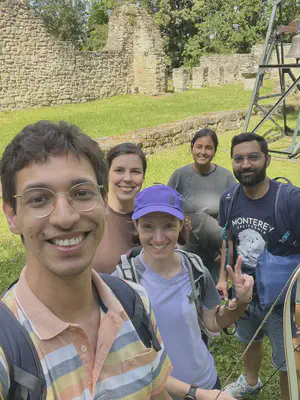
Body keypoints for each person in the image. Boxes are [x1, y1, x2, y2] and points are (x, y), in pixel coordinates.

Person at [0, 121, 172, 399]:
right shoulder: (6, 350)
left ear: (104, 201)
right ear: (11, 214)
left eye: (81, 193)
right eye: (39, 199)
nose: (65, 218)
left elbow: (155, 392)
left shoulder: (135, 302)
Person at [115, 184, 254, 400]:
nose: (159, 238)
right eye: (148, 227)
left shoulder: (194, 267)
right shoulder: (123, 281)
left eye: (169, 226)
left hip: (206, 381)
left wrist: (242, 301)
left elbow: (213, 322)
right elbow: (128, 360)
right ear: (136, 225)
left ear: (182, 224)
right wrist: (197, 394)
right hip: (160, 393)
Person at [217, 132, 300, 400]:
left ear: (267, 159)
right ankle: (250, 381)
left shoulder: (290, 200)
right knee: (248, 340)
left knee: (287, 359)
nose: (246, 164)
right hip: (244, 293)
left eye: (253, 157)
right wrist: (222, 278)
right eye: (238, 158)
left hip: (281, 298)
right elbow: (228, 239)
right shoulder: (229, 199)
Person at [168, 128, 236, 283]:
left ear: (215, 151)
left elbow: (233, 217)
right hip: (185, 252)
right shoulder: (179, 176)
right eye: (199, 147)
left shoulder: (226, 177)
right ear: (192, 147)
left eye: (208, 148)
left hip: (216, 254)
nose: (203, 152)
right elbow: (167, 208)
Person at [91, 142, 146, 273]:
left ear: (143, 176)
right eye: (119, 170)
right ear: (107, 173)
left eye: (135, 171)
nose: (127, 178)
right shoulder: (91, 215)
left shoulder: (151, 216)